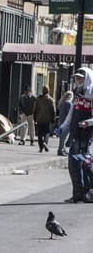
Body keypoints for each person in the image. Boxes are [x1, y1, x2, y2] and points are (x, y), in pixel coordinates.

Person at [55, 69, 93, 203]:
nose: (78, 80)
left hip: (85, 134)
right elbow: (72, 112)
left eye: (81, 78)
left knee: (83, 163)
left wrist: (88, 122)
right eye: (76, 78)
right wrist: (63, 127)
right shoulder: (77, 92)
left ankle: (86, 192)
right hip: (75, 132)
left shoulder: (91, 92)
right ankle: (77, 193)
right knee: (73, 164)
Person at [33, 86, 56, 153]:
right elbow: (53, 110)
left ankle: (40, 148)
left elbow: (34, 109)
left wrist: (35, 117)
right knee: (47, 132)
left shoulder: (38, 99)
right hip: (47, 119)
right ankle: (45, 142)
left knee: (40, 134)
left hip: (39, 118)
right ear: (48, 91)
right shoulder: (51, 100)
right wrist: (53, 118)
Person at [56, 90, 73, 156]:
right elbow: (70, 114)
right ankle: (60, 150)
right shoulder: (69, 104)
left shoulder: (61, 102)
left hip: (60, 121)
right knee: (64, 138)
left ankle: (62, 149)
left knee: (62, 138)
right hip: (66, 123)